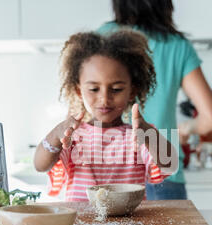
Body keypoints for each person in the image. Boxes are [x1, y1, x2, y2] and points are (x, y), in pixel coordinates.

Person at [97, 0, 212, 200]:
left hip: (111, 170)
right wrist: (185, 129)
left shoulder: (102, 37)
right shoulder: (178, 46)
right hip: (165, 172)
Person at [34, 30, 178, 201]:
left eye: (116, 89)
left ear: (132, 91)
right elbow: (40, 165)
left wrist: (148, 133)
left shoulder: (139, 136)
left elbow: (170, 164)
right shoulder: (73, 135)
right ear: (79, 91)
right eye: (94, 89)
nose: (104, 99)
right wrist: (57, 134)